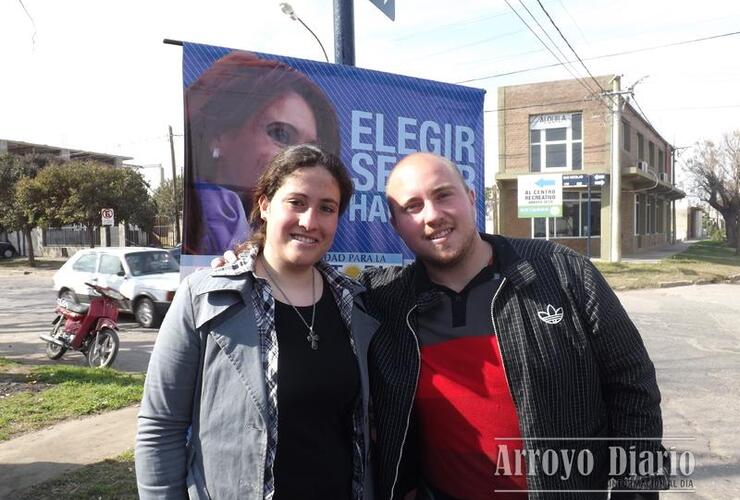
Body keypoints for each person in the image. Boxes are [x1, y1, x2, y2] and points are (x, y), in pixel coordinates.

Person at [361, 152, 668, 499]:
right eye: (412, 207)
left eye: (443, 195)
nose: (432, 215)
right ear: (396, 224)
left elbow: (632, 384)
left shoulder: (563, 272)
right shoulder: (385, 302)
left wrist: (635, 491)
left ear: (472, 198)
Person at [136, 144, 377, 500]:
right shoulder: (205, 297)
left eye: (327, 208)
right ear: (264, 204)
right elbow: (161, 426)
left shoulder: (356, 303)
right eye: (296, 202)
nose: (310, 221)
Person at [184, 51, 340, 256]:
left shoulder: (334, 282)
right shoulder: (212, 236)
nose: (300, 160)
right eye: (281, 134)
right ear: (219, 134)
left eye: (311, 148)